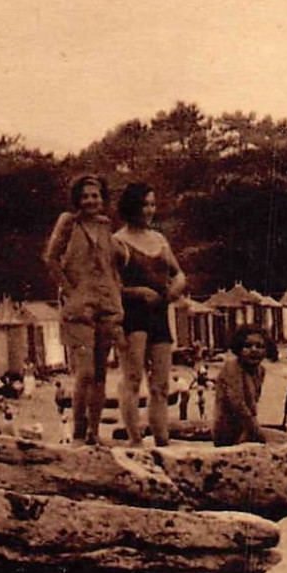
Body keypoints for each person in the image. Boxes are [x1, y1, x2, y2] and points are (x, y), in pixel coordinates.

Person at [212, 326, 287, 546]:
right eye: (248, 346)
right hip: (231, 434)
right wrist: (260, 437)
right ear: (239, 347)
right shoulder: (232, 367)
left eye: (259, 346)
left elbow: (252, 409)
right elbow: (239, 407)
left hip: (249, 430)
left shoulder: (260, 371)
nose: (254, 350)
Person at [44, 174, 126, 445]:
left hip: (106, 303)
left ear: (103, 198)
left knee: (102, 372)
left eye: (96, 195)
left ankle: (94, 431)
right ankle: (79, 430)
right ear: (77, 199)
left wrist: (116, 294)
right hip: (79, 308)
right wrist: (70, 291)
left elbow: (111, 264)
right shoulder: (68, 222)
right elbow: (51, 259)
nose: (91, 201)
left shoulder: (106, 226)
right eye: (85, 196)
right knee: (86, 371)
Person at [113, 182, 186, 447]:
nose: (149, 210)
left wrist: (177, 287)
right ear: (131, 206)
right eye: (144, 204)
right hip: (132, 316)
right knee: (133, 379)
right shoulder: (118, 241)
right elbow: (112, 287)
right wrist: (138, 292)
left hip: (159, 313)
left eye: (153, 204)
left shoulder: (160, 240)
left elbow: (178, 272)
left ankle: (161, 437)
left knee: (162, 384)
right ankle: (135, 439)